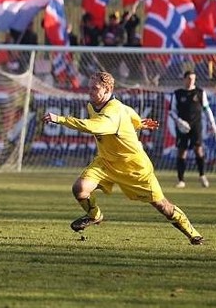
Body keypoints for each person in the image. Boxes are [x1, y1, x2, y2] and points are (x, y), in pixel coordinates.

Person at [42, 71, 204, 245]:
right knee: (80, 188)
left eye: (94, 88)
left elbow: (91, 126)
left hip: (134, 167)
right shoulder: (97, 105)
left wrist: (59, 119)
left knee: (162, 205)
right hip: (106, 162)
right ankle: (94, 216)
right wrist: (138, 123)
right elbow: (128, 111)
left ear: (108, 89)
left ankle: (192, 233)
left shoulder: (113, 112)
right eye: (89, 87)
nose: (90, 91)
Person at [170, 69, 216, 189]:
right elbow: (171, 111)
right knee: (182, 151)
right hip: (182, 127)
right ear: (184, 79)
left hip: (196, 125)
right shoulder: (177, 93)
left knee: (199, 149)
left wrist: (213, 124)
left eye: (193, 79)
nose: (191, 81)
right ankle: (181, 180)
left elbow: (207, 109)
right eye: (189, 79)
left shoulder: (200, 92)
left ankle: (202, 175)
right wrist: (178, 121)